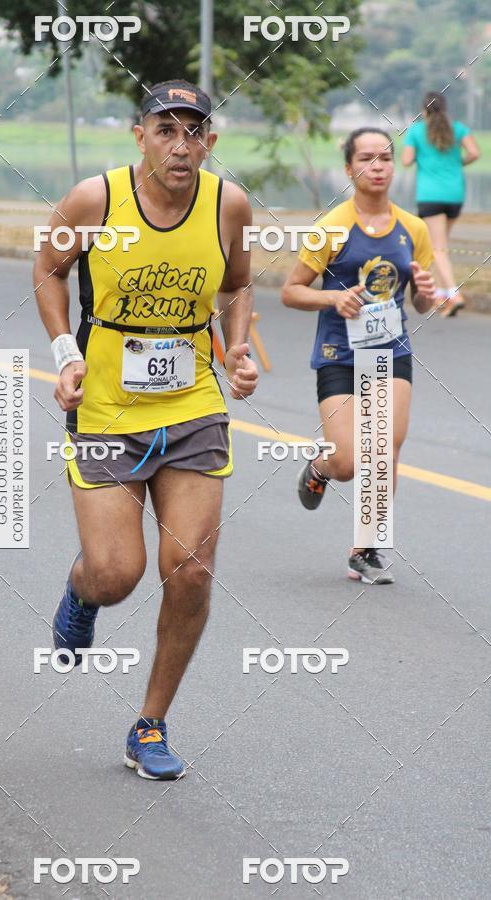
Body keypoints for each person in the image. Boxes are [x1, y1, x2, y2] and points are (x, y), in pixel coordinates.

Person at [33, 80, 258, 780]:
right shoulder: (94, 200)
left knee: (190, 572)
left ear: (210, 142)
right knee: (117, 573)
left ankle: (150, 726)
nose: (181, 145)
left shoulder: (230, 205)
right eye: (166, 129)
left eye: (194, 132)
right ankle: (81, 592)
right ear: (141, 136)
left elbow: (239, 285)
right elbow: (47, 268)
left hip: (192, 405)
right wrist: (65, 353)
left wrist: (240, 346)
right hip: (104, 409)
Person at [282, 128, 436, 584]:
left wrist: (425, 294)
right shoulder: (331, 227)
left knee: (385, 447)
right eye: (367, 158)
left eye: (385, 158)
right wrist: (332, 299)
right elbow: (292, 292)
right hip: (338, 354)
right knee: (349, 461)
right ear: (350, 168)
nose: (378, 166)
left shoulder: (415, 228)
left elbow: (421, 303)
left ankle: (366, 549)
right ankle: (320, 468)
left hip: (390, 350)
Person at [401, 91, 480, 317]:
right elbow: (475, 152)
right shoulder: (457, 128)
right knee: (439, 245)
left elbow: (406, 161)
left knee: (437, 248)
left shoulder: (416, 131)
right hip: (455, 194)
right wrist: (457, 163)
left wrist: (422, 157)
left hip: (430, 195)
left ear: (423, 110)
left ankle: (455, 294)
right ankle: (441, 295)